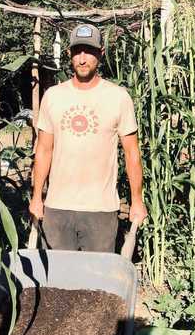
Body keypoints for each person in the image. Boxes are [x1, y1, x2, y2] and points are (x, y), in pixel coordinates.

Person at [28, 23, 147, 251]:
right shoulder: (53, 96)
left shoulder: (118, 97)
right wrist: (36, 197)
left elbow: (132, 153)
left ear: (100, 54)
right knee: (57, 281)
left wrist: (137, 201)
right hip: (57, 207)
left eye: (89, 51)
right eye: (77, 51)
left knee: (98, 281)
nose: (82, 59)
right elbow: (43, 150)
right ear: (69, 54)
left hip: (101, 210)